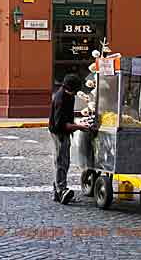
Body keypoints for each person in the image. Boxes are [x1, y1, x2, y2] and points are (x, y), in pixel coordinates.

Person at [49, 74, 89, 204]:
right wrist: (79, 127)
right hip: (59, 132)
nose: (76, 93)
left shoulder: (69, 96)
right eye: (75, 90)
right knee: (62, 160)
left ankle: (57, 191)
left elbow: (68, 117)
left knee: (62, 159)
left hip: (64, 131)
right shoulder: (61, 99)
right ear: (70, 88)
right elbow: (60, 124)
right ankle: (61, 190)